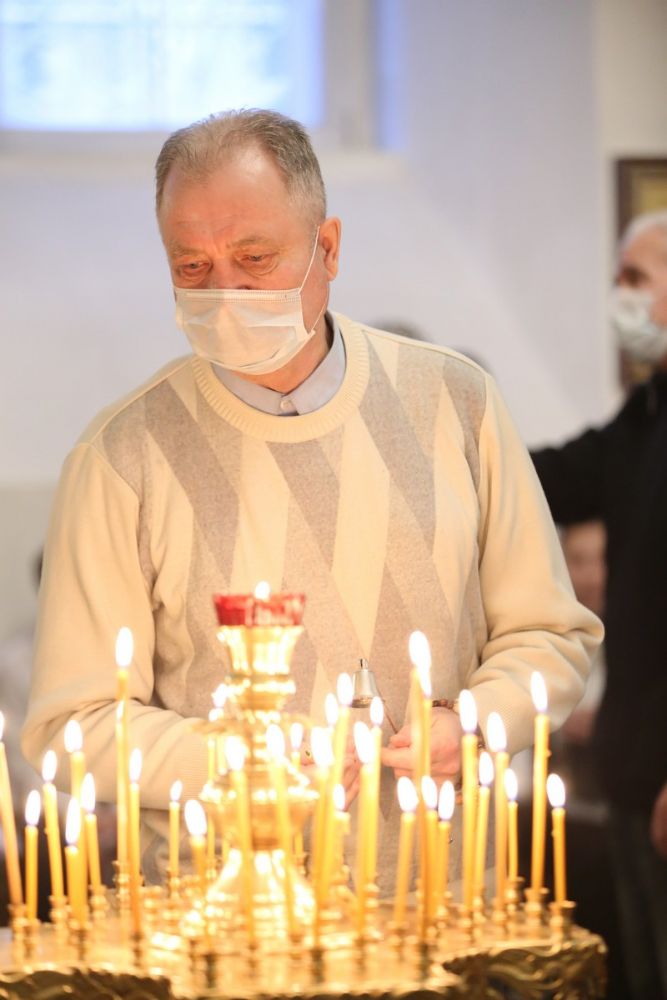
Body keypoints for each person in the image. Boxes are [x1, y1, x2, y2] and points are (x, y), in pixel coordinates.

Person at [22, 109, 601, 896]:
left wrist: (474, 722)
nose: (224, 292)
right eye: (192, 266)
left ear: (326, 247)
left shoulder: (453, 401)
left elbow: (549, 633)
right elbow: (73, 723)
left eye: (253, 258)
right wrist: (240, 759)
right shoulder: (122, 455)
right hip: (227, 913)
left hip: (447, 897)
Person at [532, 210, 667, 999]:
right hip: (631, 768)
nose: (619, 295)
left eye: (635, 277)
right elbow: (548, 478)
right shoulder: (644, 413)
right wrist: (445, 444)